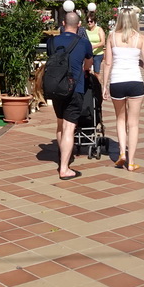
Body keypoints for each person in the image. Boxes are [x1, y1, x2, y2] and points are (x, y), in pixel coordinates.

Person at [101, 9, 144, 171]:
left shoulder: (112, 37)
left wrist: (104, 85)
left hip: (117, 82)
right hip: (135, 81)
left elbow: (107, 63)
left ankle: (122, 152)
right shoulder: (141, 38)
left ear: (120, 19)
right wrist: (139, 63)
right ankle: (131, 161)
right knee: (134, 123)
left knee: (120, 119)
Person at [46, 11, 93, 181]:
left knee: (60, 124)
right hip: (75, 88)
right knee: (69, 128)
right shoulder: (84, 43)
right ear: (79, 25)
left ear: (63, 24)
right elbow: (88, 63)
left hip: (56, 88)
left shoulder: (51, 41)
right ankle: (64, 168)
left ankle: (62, 157)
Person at [84, 12, 106, 77]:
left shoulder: (99, 30)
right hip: (88, 54)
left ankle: (97, 85)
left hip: (98, 54)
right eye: (88, 21)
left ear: (94, 21)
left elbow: (103, 42)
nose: (89, 23)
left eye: (91, 21)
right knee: (86, 71)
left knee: (96, 73)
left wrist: (93, 47)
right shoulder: (85, 31)